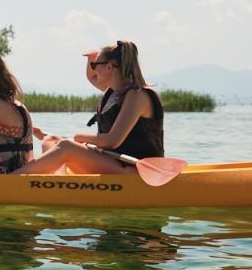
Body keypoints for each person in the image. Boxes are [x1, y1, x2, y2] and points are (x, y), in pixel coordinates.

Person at [20, 40, 163, 176]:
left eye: (95, 65)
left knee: (66, 146)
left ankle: (14, 178)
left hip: (135, 170)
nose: (93, 70)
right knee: (50, 140)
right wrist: (90, 60)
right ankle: (58, 183)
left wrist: (79, 137)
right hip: (113, 161)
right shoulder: (112, 92)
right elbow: (92, 77)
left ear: (109, 67)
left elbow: (111, 141)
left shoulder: (137, 95)